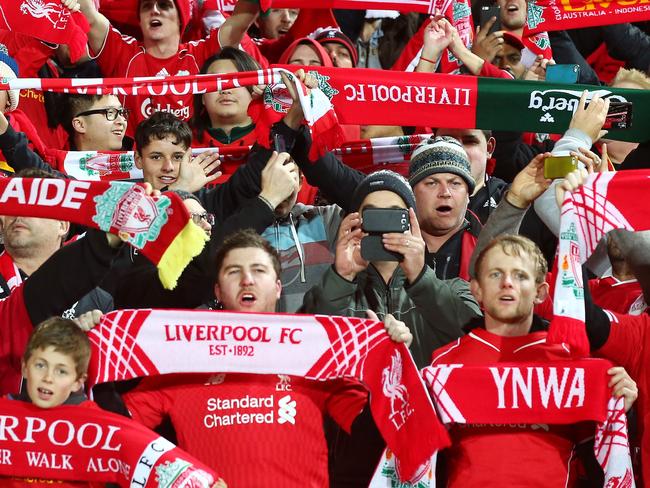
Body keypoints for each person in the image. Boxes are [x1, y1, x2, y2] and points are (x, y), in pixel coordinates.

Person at [122, 229, 412, 486]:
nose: (247, 279)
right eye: (233, 271)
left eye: (259, 270)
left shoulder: (314, 354)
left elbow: (371, 434)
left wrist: (388, 367)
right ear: (218, 291)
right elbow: (119, 431)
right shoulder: (184, 361)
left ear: (277, 287)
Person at [429, 233, 638, 487]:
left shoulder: (570, 365)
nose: (507, 283)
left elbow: (599, 466)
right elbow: (425, 463)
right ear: (477, 290)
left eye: (520, 276)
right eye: (495, 274)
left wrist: (620, 411)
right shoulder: (444, 364)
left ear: (540, 292)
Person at [7, 317, 227, 487]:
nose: (48, 377)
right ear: (25, 367)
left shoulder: (103, 427)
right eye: (40, 365)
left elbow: (150, 456)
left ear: (78, 382)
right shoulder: (4, 417)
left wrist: (201, 481)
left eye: (61, 371)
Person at [72, 0, 260, 132]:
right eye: (147, 6)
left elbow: (241, 19)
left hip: (190, 160)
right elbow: (90, 16)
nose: (154, 10)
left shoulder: (201, 53)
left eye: (164, 4)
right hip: (134, 167)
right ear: (140, 19)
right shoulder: (122, 52)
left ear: (181, 18)